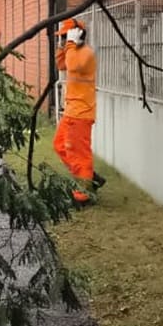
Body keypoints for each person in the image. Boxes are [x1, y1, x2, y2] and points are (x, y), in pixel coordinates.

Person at [54, 18, 106, 207]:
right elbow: (62, 66)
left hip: (81, 113)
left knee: (79, 155)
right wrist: (62, 47)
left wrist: (69, 45)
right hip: (72, 111)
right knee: (59, 146)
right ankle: (89, 177)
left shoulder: (85, 53)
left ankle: (82, 197)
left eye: (65, 36)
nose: (63, 39)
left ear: (77, 35)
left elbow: (74, 66)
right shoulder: (72, 51)